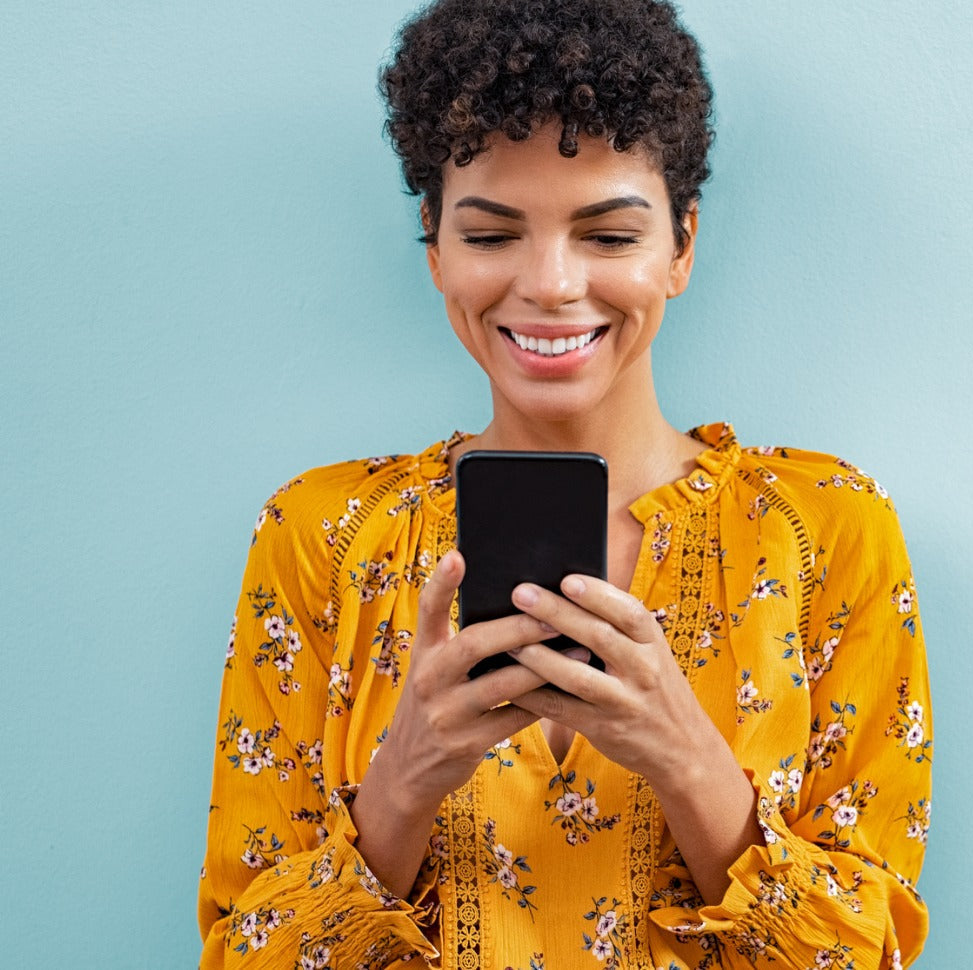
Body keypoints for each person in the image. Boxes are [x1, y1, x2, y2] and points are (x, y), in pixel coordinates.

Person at [195, 1, 933, 966]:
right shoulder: (322, 535)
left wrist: (685, 755)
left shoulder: (825, 531)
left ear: (683, 246)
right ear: (434, 246)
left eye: (610, 236)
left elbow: (866, 952)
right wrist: (401, 787)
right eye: (493, 234)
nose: (549, 283)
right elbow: (243, 951)